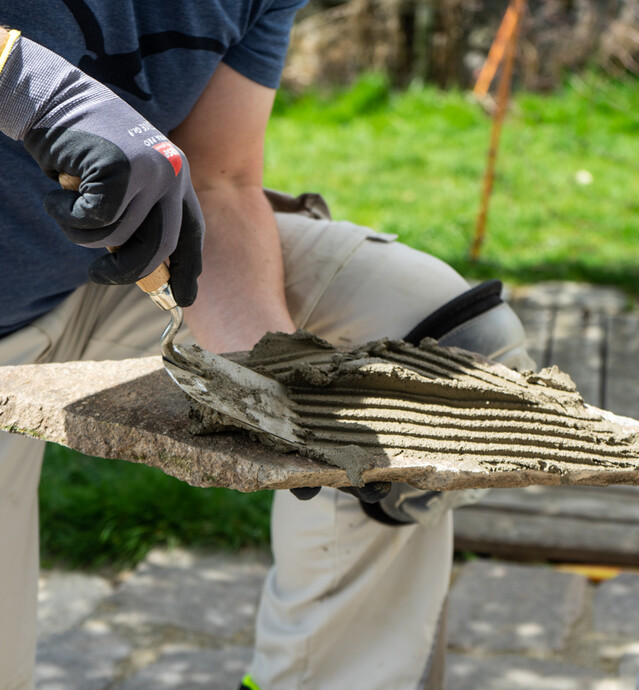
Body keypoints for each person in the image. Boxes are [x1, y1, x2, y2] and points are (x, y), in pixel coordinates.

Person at [0, 3, 533, 689]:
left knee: (434, 352)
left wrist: (277, 380)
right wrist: (36, 89)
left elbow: (220, 180)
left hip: (95, 276)